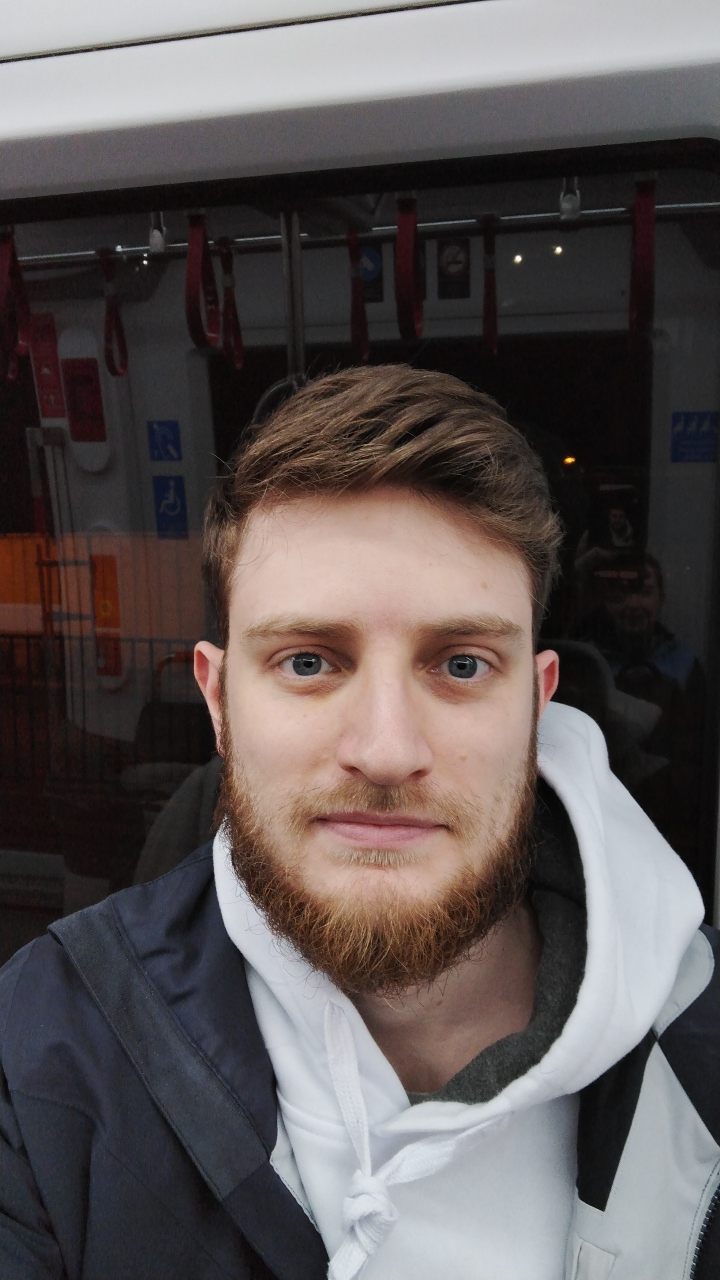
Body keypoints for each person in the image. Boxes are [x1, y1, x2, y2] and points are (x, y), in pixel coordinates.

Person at [1, 366, 718, 1280]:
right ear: (218, 701)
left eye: (461, 665)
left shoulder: (700, 1048)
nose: (385, 750)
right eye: (309, 661)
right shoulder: (46, 1046)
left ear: (538, 705)